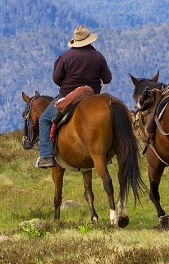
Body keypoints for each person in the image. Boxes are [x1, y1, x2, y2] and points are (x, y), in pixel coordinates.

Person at [38, 25, 113, 168]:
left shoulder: (65, 57)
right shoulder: (98, 56)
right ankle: (107, 152)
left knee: (44, 119)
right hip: (93, 98)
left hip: (68, 97)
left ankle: (46, 156)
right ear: (89, 40)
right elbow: (107, 79)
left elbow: (56, 79)